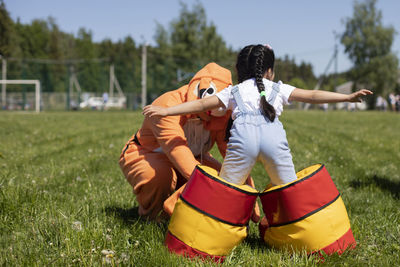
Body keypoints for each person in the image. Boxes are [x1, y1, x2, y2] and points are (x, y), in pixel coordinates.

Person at [143, 44, 373, 186]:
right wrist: (347, 97)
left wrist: (165, 110)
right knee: (289, 188)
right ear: (269, 71)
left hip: (243, 141)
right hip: (274, 140)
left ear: (239, 71)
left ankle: (217, 230)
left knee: (225, 190)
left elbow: (200, 104)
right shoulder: (278, 88)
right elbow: (313, 94)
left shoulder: (234, 91)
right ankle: (294, 226)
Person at [119, 62, 259, 220]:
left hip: (194, 157)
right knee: (160, 176)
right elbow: (176, 148)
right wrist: (209, 183)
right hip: (146, 152)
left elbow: (232, 153)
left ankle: (190, 209)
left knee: (224, 178)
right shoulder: (167, 104)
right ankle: (152, 217)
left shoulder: (224, 112)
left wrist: (247, 191)